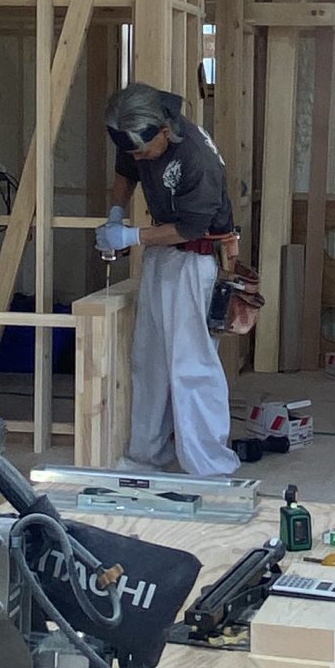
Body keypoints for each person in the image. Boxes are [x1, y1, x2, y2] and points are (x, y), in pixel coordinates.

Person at [96, 82, 239, 479]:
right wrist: (115, 212)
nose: (139, 157)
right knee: (150, 360)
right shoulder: (134, 131)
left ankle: (210, 465)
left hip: (195, 257)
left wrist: (130, 236)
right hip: (163, 253)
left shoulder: (196, 159)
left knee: (191, 364)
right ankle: (147, 456)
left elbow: (191, 227)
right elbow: (126, 171)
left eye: (144, 150)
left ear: (164, 130)